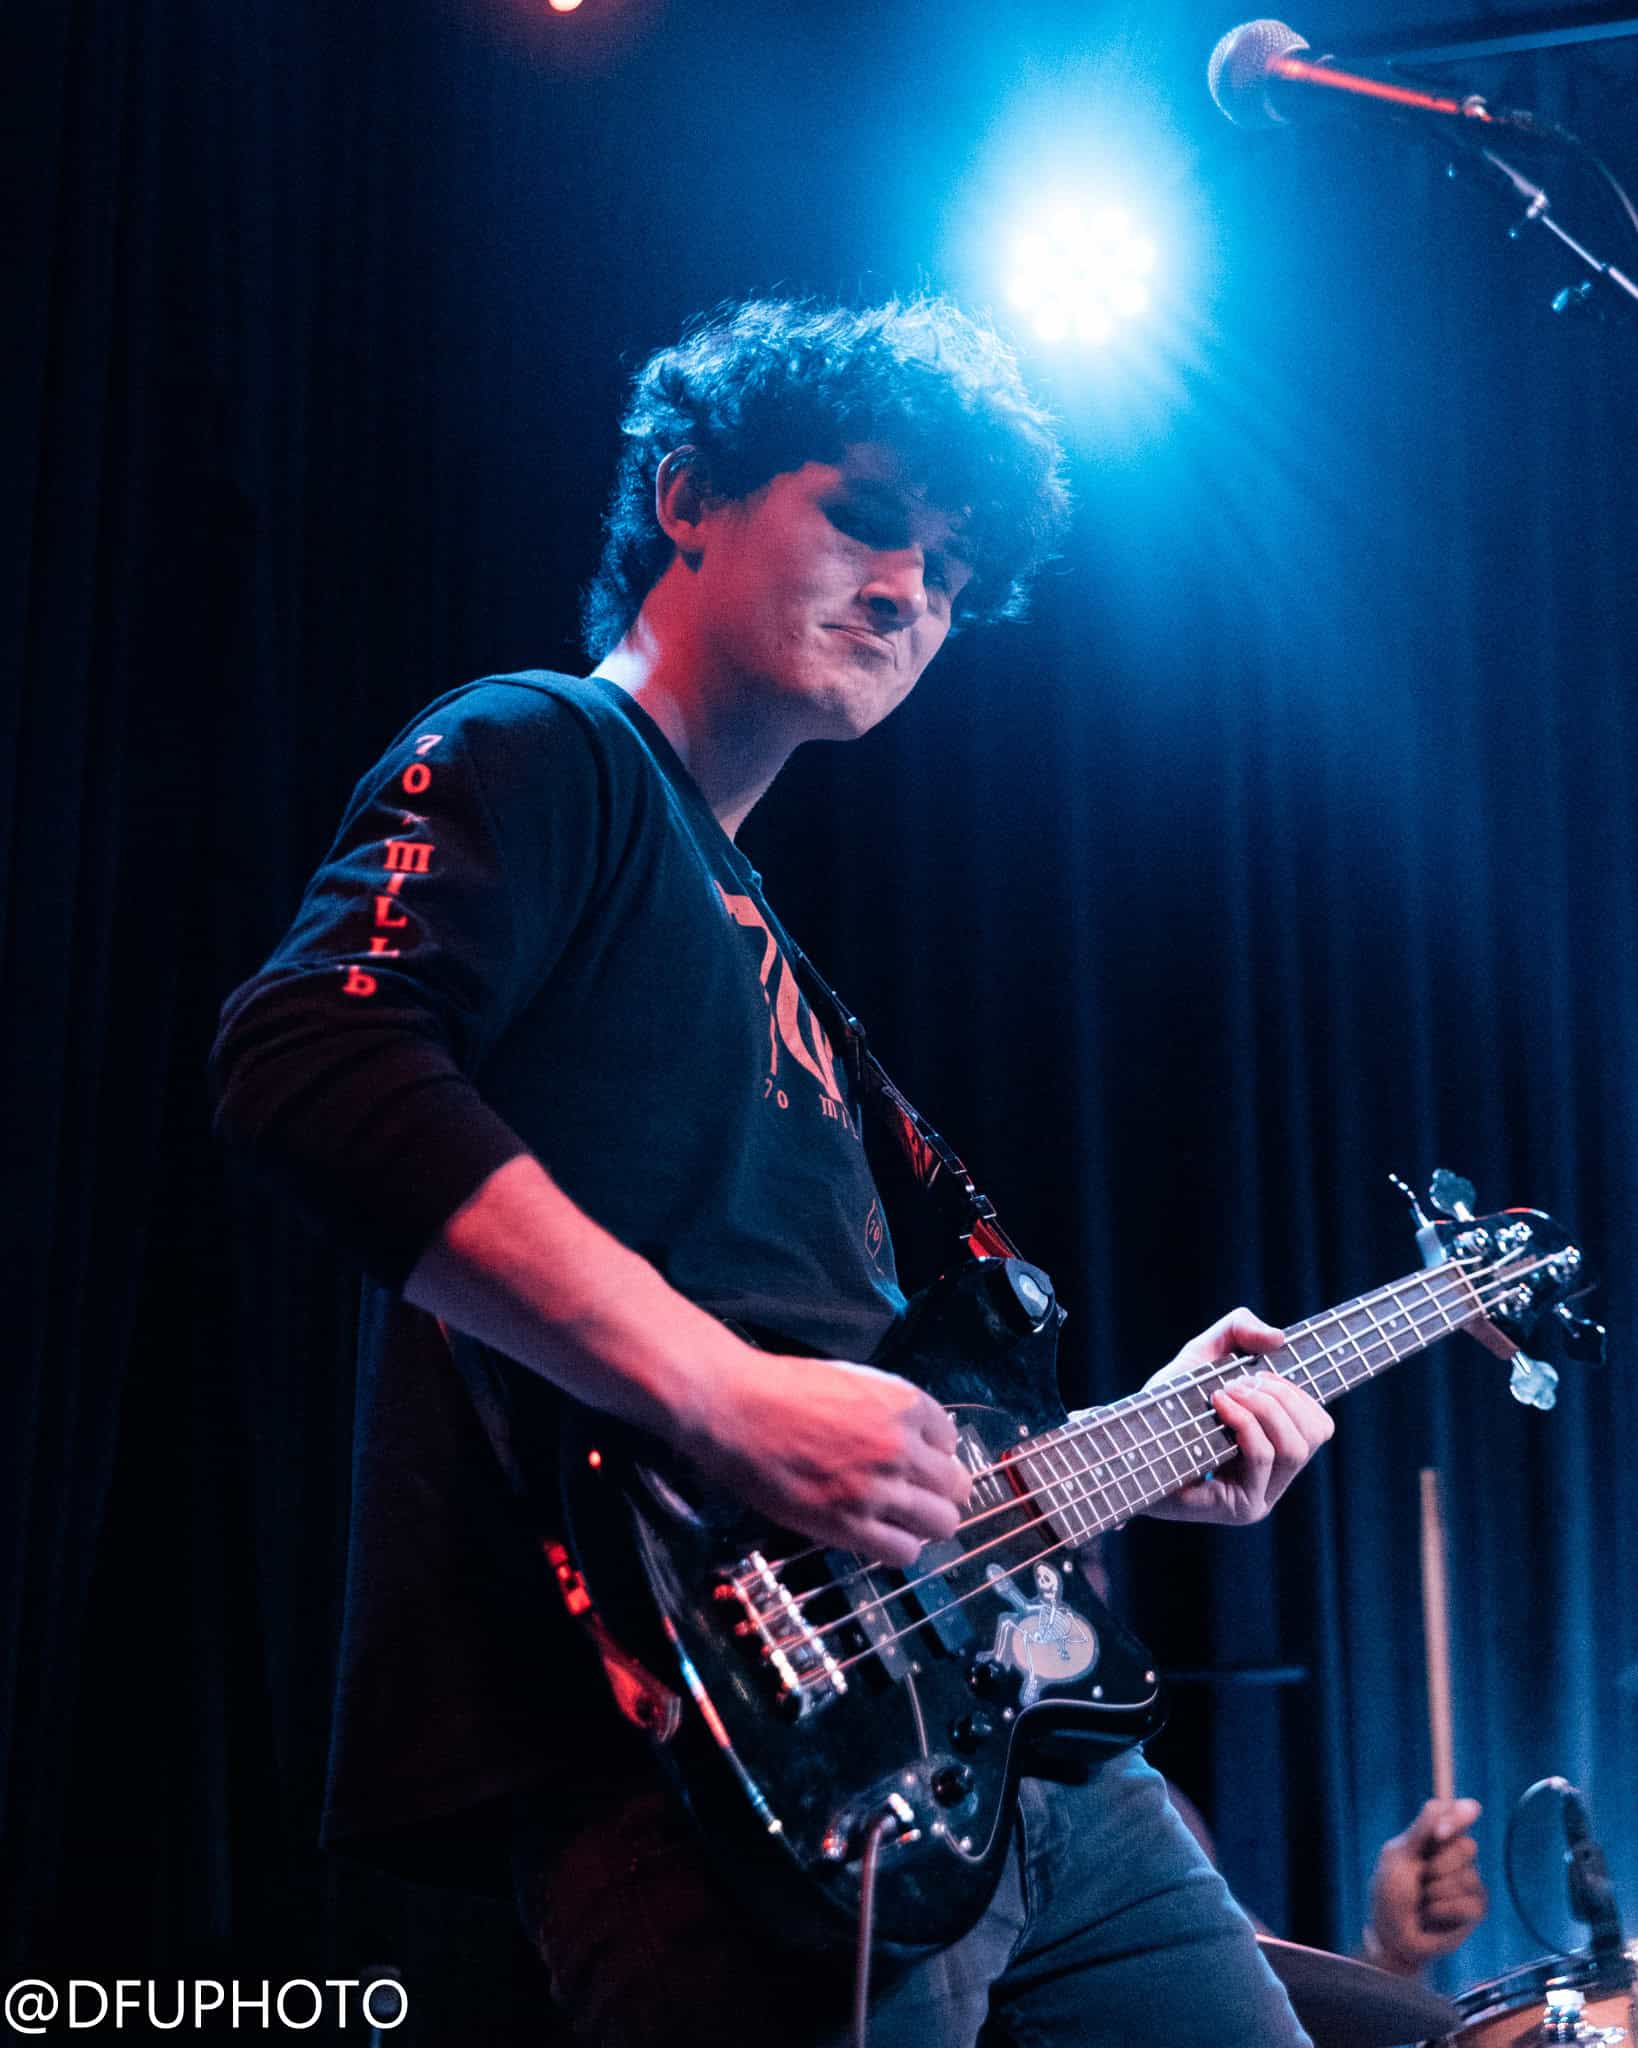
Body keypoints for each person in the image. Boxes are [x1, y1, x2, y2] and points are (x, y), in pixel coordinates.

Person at [212, 297, 1340, 2047]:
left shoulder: (778, 950)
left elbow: (864, 1402)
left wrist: (1118, 1445)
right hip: (712, 1747)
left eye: (950, 572)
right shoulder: (546, 747)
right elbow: (307, 1057)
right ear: (686, 496)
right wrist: (723, 1393)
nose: (909, 592)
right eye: (866, 519)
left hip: (999, 1739)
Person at [1074, 1542, 1489, 1977]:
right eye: (1069, 1560)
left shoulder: (1145, 1812)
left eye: (1086, 1559)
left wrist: (1390, 1952)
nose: (1072, 1590)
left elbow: (1282, 2008)